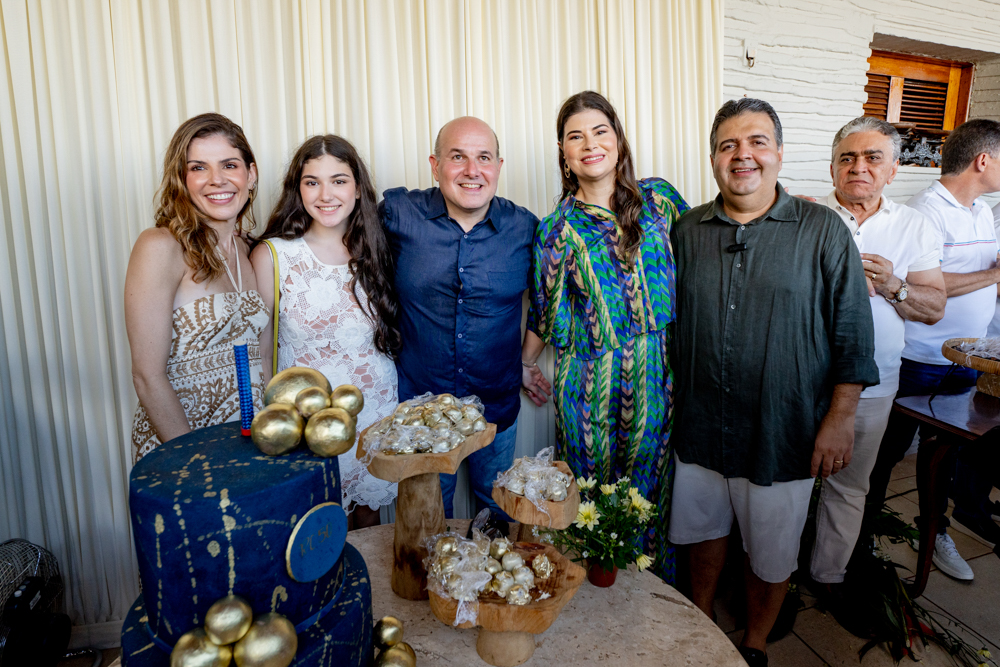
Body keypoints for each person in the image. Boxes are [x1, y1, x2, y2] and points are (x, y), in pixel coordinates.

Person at [668, 98, 878, 667]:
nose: (744, 155)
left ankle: (755, 643)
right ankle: (700, 626)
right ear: (713, 158)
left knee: (772, 550)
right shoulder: (687, 230)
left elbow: (853, 331)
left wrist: (839, 419)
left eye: (757, 142)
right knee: (701, 535)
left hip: (782, 428)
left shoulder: (822, 230)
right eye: (728, 145)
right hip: (699, 424)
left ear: (779, 153)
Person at [519, 90, 689, 583]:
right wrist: (525, 364)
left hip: (656, 373)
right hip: (587, 383)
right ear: (564, 153)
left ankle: (650, 596)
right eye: (576, 137)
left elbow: (708, 248)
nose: (590, 144)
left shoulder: (660, 200)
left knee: (649, 489)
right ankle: (590, 599)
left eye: (600, 131)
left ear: (618, 139)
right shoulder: (555, 230)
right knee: (589, 496)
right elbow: (544, 313)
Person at [809, 117, 945, 596]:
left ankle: (827, 578)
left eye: (872, 158)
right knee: (787, 482)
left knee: (850, 484)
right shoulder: (805, 216)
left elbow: (934, 308)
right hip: (802, 380)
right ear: (831, 169)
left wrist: (893, 285)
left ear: (893, 170)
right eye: (847, 158)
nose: (859, 167)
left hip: (874, 383)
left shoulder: (914, 225)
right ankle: (776, 577)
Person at [379, 117, 538, 519]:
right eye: (457, 157)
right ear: (435, 166)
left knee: (497, 512)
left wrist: (527, 360)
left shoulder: (525, 228)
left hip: (496, 403)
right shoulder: (398, 214)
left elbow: (549, 302)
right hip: (421, 411)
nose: (472, 170)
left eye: (484, 157)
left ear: (499, 166)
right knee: (427, 519)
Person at [865, 118, 1000, 580]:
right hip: (920, 359)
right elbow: (928, 287)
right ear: (982, 160)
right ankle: (863, 537)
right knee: (885, 454)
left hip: (968, 359)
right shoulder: (925, 210)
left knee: (944, 455)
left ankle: (935, 531)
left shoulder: (981, 209)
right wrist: (993, 274)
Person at [251, 135, 400, 529]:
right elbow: (261, 350)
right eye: (312, 182)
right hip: (308, 416)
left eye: (339, 180)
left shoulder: (378, 248)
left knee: (369, 520)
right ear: (297, 189)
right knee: (319, 527)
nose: (325, 194)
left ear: (358, 189)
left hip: (374, 407)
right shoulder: (274, 255)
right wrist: (270, 421)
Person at [126, 113, 267, 463]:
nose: (217, 179)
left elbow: (264, 360)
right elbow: (147, 376)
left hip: (250, 444)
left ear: (250, 175)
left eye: (229, 165)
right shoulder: (160, 246)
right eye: (199, 168)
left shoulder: (251, 250)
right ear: (182, 179)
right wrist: (198, 461)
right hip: (184, 445)